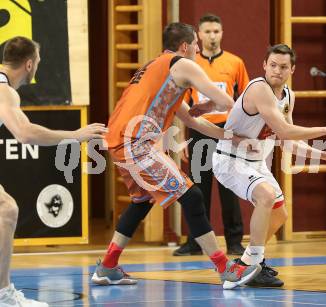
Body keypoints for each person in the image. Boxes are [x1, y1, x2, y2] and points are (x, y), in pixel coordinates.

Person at [91, 23, 261, 290]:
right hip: (136, 143)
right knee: (192, 196)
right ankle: (225, 268)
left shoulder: (159, 68)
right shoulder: (182, 63)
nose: (198, 48)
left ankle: (107, 266)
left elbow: (195, 122)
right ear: (185, 46)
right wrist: (257, 113)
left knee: (142, 200)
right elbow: (227, 101)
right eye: (195, 44)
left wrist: (235, 139)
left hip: (119, 141)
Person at [211, 44, 326, 287]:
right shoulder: (259, 89)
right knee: (266, 197)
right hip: (230, 159)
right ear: (264, 65)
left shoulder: (288, 95)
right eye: (273, 65)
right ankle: (253, 266)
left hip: (255, 162)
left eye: (283, 67)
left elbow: (286, 141)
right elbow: (284, 129)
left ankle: (246, 265)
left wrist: (323, 155)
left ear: (292, 69)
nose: (277, 70)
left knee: (279, 215)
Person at [0, 36, 107, 306]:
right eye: (38, 61)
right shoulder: (5, 90)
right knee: (6, 210)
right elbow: (25, 133)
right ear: (29, 64)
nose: (38, 65)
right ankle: (3, 296)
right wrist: (75, 135)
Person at [173, 13, 248, 256]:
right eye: (207, 32)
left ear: (222, 33)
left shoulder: (235, 63)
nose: (212, 36)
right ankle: (195, 241)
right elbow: (180, 105)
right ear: (199, 35)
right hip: (198, 130)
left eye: (216, 31)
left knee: (230, 188)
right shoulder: (190, 64)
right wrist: (182, 137)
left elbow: (244, 100)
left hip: (226, 131)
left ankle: (235, 241)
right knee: (197, 189)